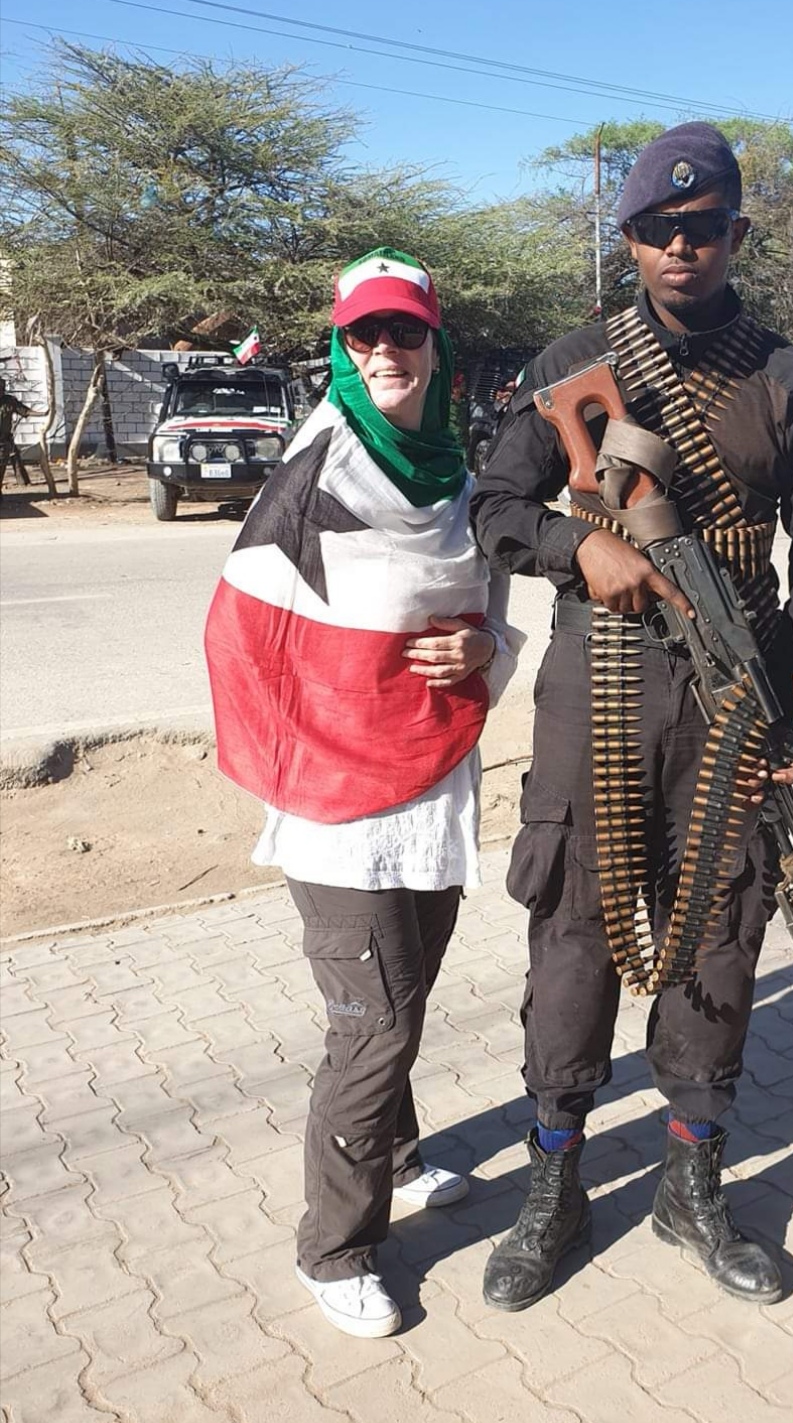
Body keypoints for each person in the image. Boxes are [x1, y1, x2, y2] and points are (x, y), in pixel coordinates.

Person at [471, 123, 793, 1313]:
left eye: (704, 228)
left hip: (726, 696)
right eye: (657, 229)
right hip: (597, 679)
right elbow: (492, 500)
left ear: (737, 234)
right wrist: (575, 541)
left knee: (721, 930)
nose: (681, 246)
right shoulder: (576, 360)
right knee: (576, 930)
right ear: (629, 239)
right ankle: (558, 1179)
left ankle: (691, 1181)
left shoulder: (792, 381)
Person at [204, 247, 522, 1339]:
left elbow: (493, 616)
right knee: (373, 1027)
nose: (384, 350)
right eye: (362, 335)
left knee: (404, 998)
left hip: (431, 780)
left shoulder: (456, 472)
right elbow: (254, 637)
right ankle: (333, 1244)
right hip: (338, 801)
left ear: (437, 344)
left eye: (404, 332)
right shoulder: (314, 473)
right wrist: (348, 698)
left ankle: (397, 1151)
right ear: (340, 348)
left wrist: (480, 650)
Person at [0, 377, 34, 489]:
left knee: (1, 467)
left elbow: (25, 411)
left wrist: (43, 413)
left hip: (3, 442)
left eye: (2, 387)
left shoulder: (9, 401)